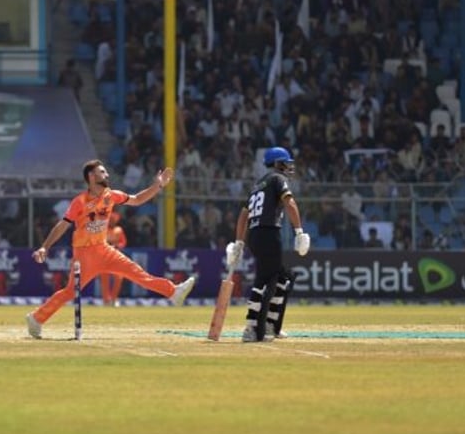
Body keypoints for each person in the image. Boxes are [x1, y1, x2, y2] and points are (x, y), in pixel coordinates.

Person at [27, 159, 196, 338]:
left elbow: (137, 200)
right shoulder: (80, 201)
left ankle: (173, 292)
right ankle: (37, 318)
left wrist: (157, 186)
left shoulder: (111, 195)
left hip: (104, 249)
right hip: (84, 254)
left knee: (139, 274)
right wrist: (45, 247)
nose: (107, 175)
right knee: (70, 292)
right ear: (91, 177)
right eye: (102, 172)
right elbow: (62, 225)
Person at [226, 147, 310, 343]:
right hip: (269, 233)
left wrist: (239, 241)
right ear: (277, 163)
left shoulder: (257, 185)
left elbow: (243, 215)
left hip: (255, 235)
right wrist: (299, 231)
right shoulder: (277, 179)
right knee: (264, 280)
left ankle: (271, 324)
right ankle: (251, 327)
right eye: (285, 162)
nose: (289, 166)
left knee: (283, 278)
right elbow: (290, 203)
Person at [98, 211, 128, 307]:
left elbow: (123, 242)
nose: (111, 221)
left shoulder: (119, 230)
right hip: (104, 257)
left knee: (118, 277)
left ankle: (114, 299)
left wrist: (117, 245)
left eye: (113, 220)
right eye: (110, 220)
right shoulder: (102, 229)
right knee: (104, 278)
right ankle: (106, 300)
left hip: (116, 257)